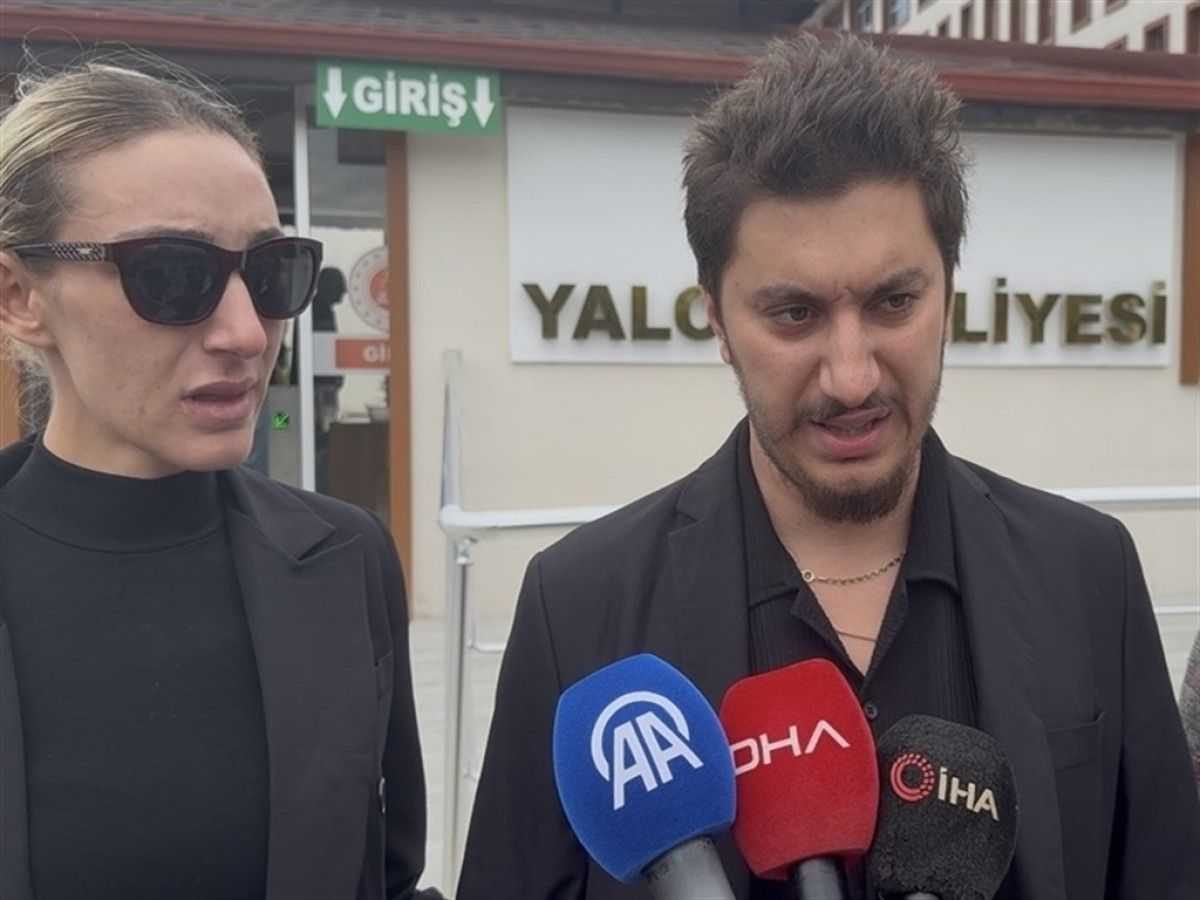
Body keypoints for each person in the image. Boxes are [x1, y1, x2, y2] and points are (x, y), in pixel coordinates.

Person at [456, 34, 1200, 900]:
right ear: (718, 322)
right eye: (794, 314)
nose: (851, 377)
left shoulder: (1089, 573)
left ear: (949, 293)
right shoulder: (579, 608)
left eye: (894, 302)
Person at [0, 62, 427, 899]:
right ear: (19, 295)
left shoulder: (346, 558)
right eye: (172, 274)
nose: (246, 333)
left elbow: (385, 877)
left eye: (270, 272)